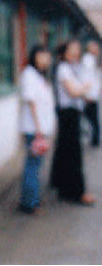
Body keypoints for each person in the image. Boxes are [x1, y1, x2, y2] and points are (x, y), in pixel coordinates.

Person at [50, 40, 96, 206]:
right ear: (64, 52)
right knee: (74, 154)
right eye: (72, 49)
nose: (76, 52)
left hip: (71, 113)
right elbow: (73, 91)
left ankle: (63, 187)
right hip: (68, 114)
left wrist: (83, 91)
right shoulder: (64, 68)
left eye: (77, 49)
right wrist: (86, 87)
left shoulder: (71, 68)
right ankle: (77, 192)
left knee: (65, 151)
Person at [18, 45, 55, 215]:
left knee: (35, 165)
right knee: (32, 165)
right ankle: (29, 203)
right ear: (34, 57)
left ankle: (32, 199)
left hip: (40, 128)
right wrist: (38, 129)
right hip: (34, 129)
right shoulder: (29, 74)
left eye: (47, 56)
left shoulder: (40, 76)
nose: (46, 59)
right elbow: (31, 102)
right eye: (42, 55)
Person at [81, 40, 100, 147]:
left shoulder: (91, 59)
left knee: (92, 118)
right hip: (89, 95)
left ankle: (94, 139)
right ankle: (94, 139)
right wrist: (86, 94)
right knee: (92, 118)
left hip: (91, 94)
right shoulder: (88, 60)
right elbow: (87, 78)